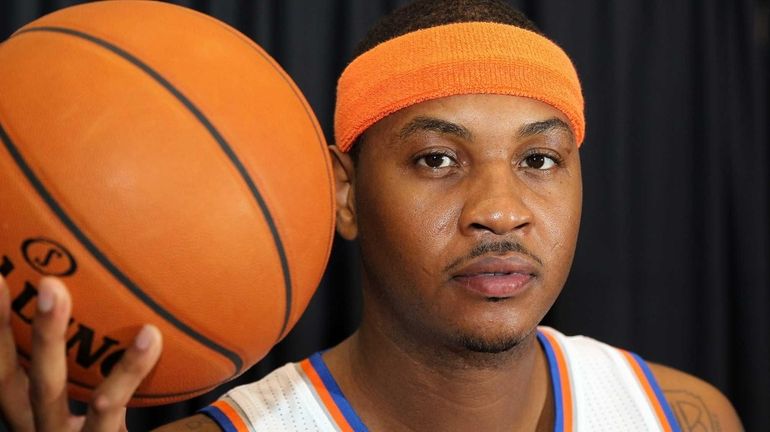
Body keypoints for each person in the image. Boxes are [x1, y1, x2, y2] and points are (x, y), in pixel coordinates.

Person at [0, 0, 743, 430]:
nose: (500, 212)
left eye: (539, 161)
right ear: (346, 194)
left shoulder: (682, 415)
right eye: (437, 160)